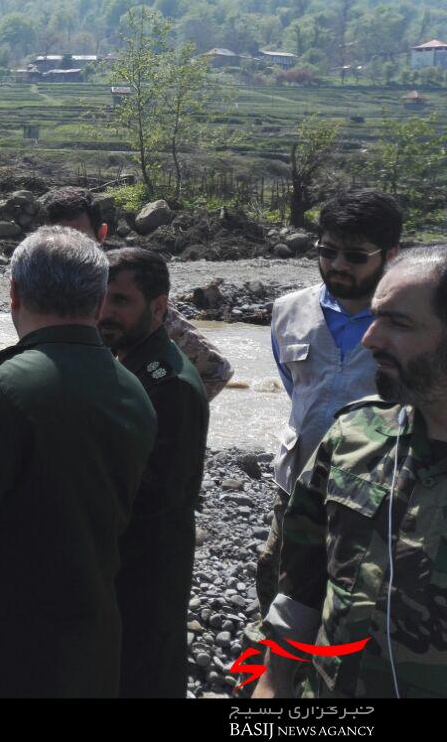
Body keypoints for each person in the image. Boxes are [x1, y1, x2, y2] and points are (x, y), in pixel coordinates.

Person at [0, 226, 156, 697]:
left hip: (5, 648)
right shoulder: (135, 390)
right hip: (92, 638)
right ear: (98, 304)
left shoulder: (4, 389)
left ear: (13, 295)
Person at [253, 246, 447, 699]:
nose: (369, 339)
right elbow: (302, 581)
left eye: (398, 323)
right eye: (375, 317)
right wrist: (274, 681)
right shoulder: (355, 432)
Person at [256, 189, 403, 618]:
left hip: (379, 491)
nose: (337, 265)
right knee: (279, 582)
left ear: (390, 254)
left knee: (361, 601)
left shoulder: (411, 322)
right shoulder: (288, 311)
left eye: (355, 256)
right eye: (327, 251)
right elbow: (296, 387)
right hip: (297, 482)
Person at [99, 248, 209, 698]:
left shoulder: (170, 384)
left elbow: (155, 494)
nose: (105, 312)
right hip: (123, 563)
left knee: (145, 675)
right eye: (101, 299)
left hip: (148, 571)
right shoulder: (127, 360)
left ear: (158, 307)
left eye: (121, 301)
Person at [43, 186, 234, 401]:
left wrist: (157, 415)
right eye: (56, 239)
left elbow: (217, 370)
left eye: (78, 238)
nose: (67, 251)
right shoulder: (38, 295)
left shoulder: (124, 294)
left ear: (101, 235)